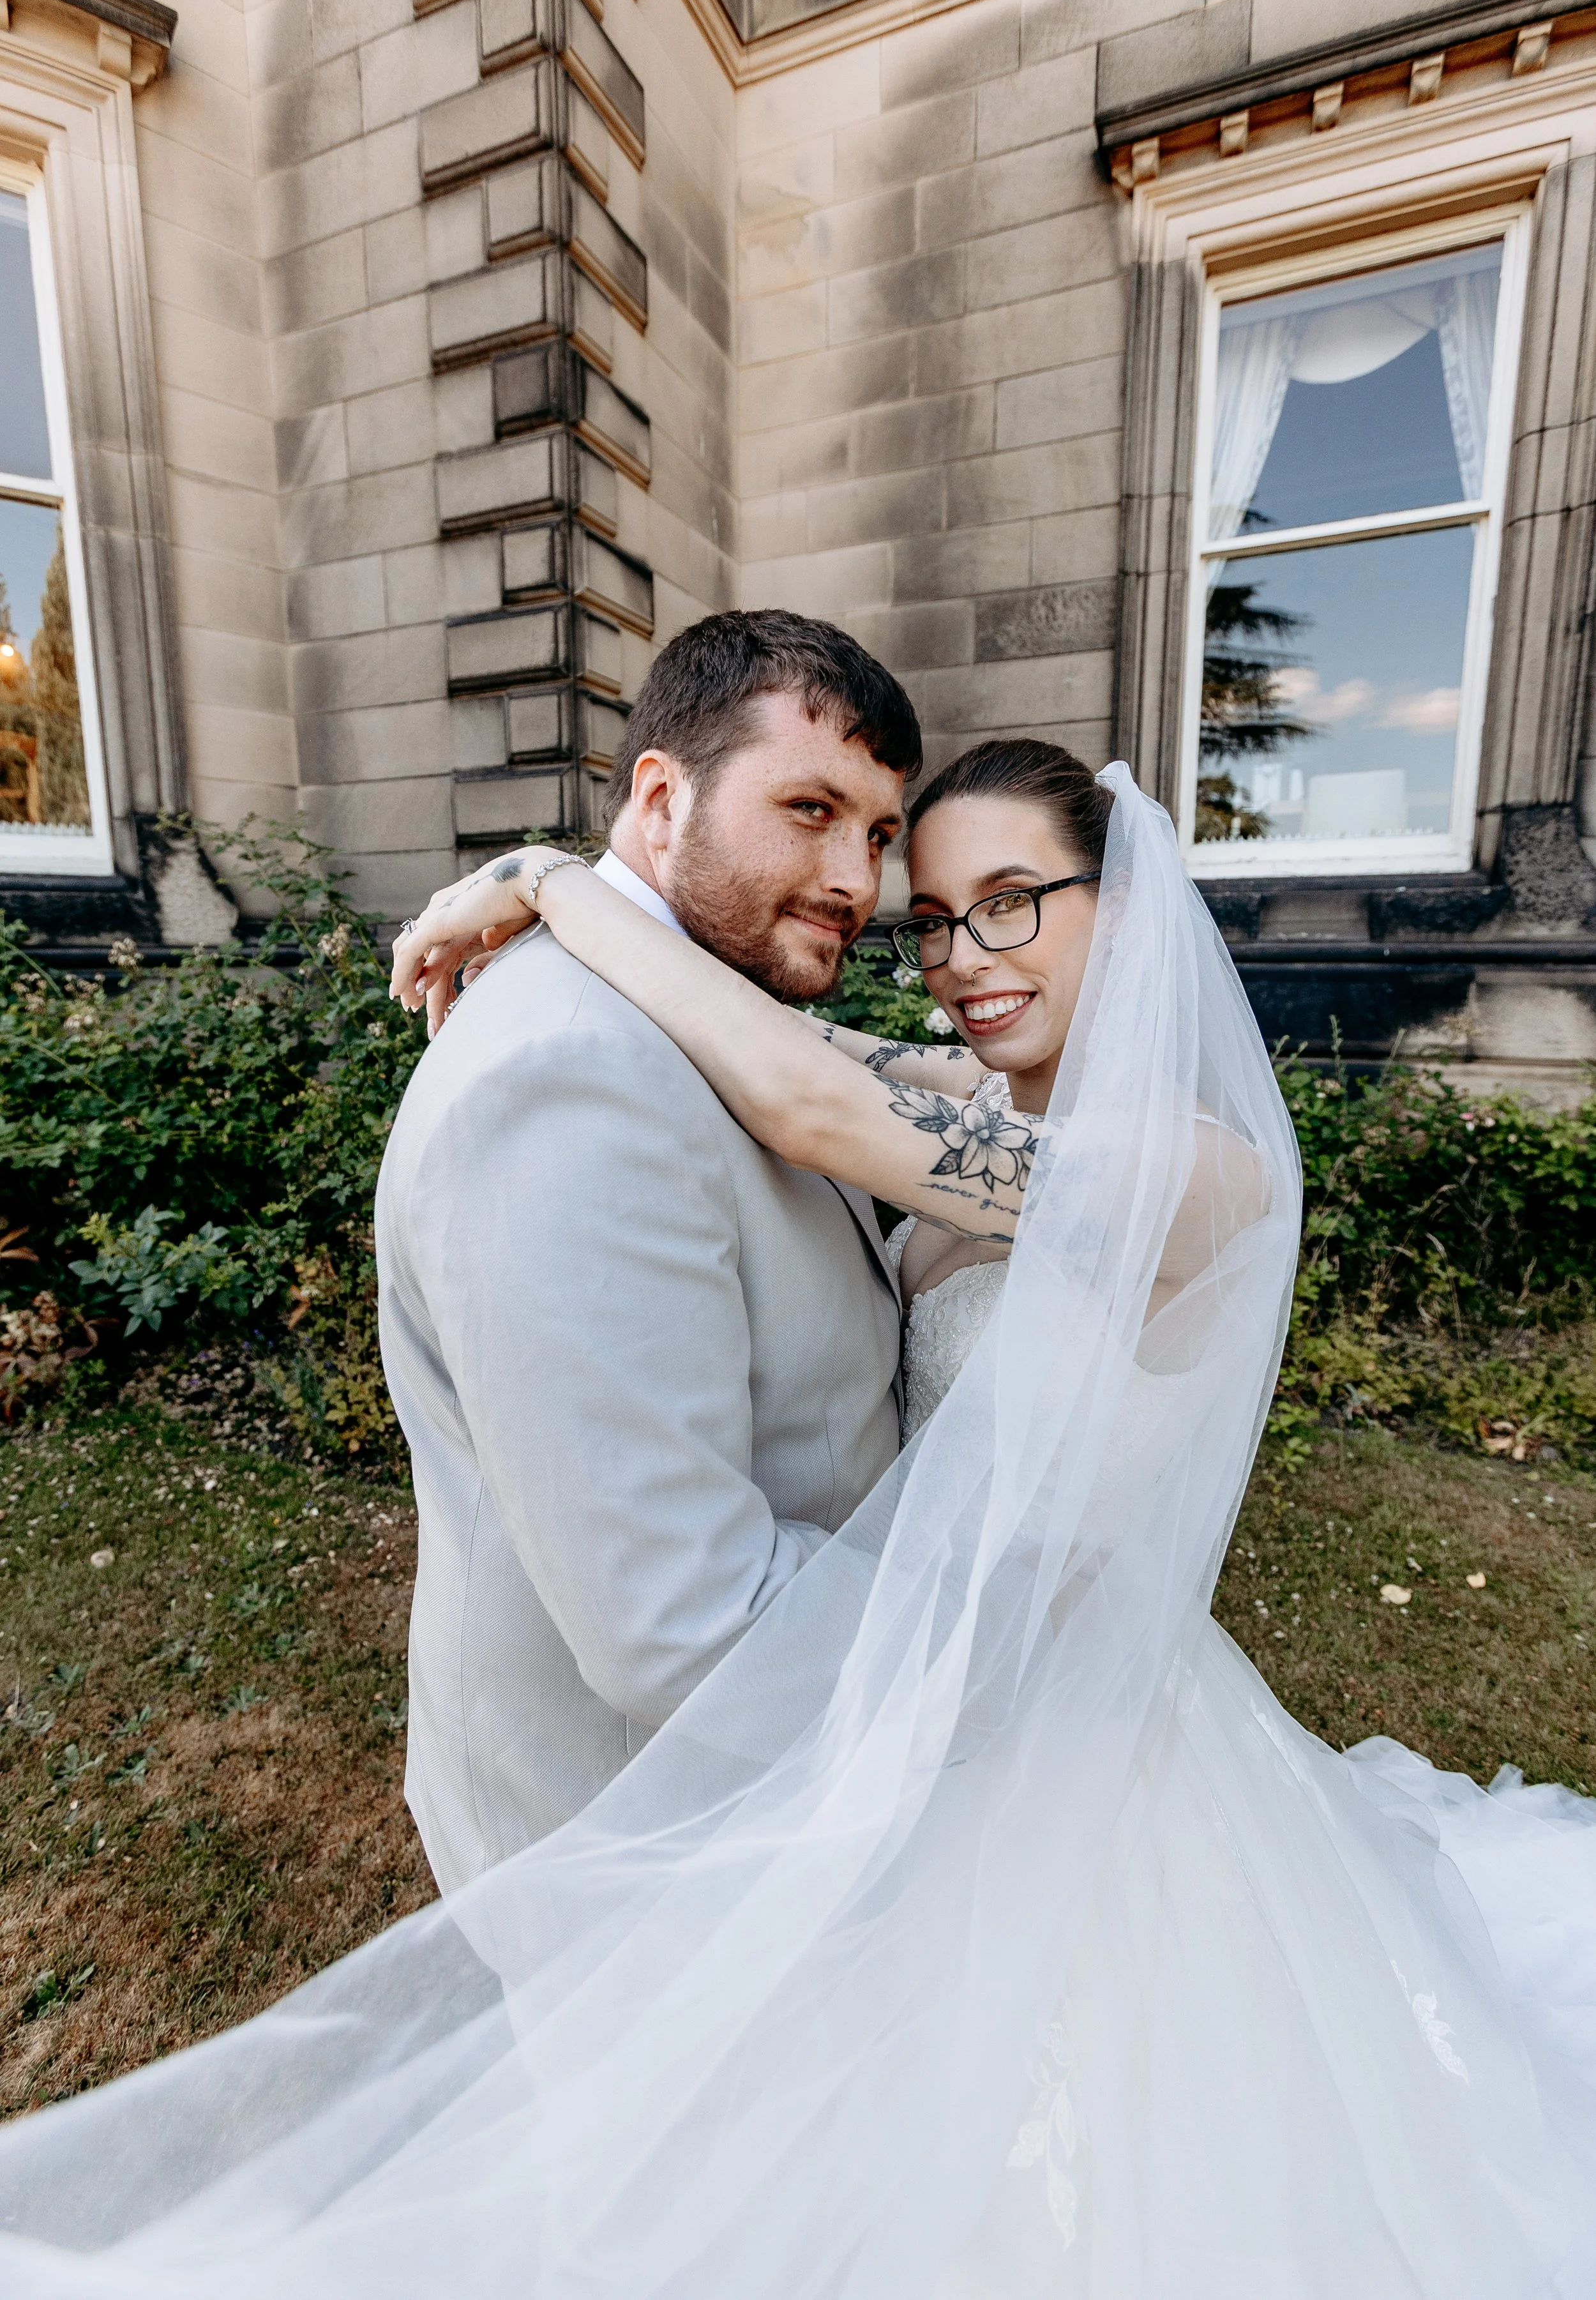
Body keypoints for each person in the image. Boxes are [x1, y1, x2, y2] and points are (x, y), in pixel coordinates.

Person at [1, 745, 1592, 2297]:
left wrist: (553, 879)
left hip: (1081, 1737)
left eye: (1011, 903)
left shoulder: (1193, 1173)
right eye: (932, 919)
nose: (962, 960)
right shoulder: (991, 1099)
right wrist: (554, 899)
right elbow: (788, 1054)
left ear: (1132, 908)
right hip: (943, 1700)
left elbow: (802, 1102)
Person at [375, 610, 919, 1889]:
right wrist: (989, 1617)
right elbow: (687, 1627)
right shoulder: (571, 1078)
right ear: (662, 801)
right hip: (648, 1846)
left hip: (763, 1792)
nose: (858, 881)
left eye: (880, 834)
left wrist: (539, 875)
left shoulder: (711, 1010)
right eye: (809, 809)